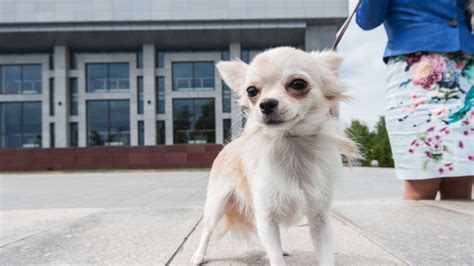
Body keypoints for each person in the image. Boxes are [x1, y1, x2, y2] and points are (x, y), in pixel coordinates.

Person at [356, 0, 473, 200]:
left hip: (466, 71)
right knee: (421, 185)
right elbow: (367, 20)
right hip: (415, 74)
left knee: (461, 183)